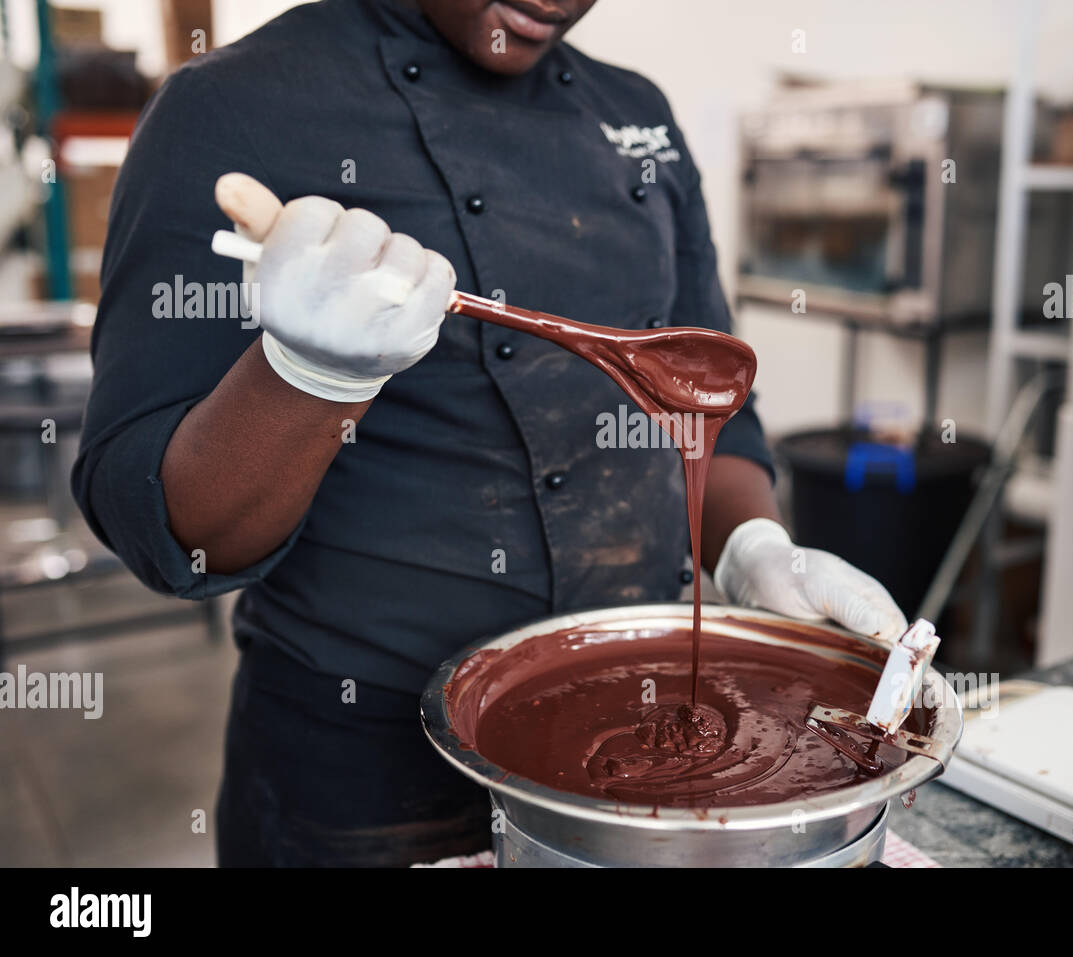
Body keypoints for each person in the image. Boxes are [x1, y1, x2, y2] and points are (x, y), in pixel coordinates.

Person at [73, 0, 907, 866]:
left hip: (628, 755)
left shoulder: (638, 116)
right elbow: (160, 524)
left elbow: (705, 401)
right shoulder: (232, 107)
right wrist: (307, 378)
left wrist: (755, 549)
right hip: (363, 783)